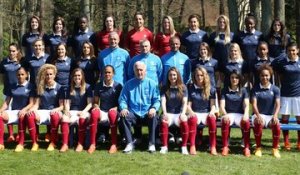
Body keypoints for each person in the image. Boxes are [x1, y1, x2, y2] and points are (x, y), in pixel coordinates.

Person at [119, 61, 160, 153]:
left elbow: (157, 100)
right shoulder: (128, 84)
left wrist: (153, 108)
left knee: (154, 116)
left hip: (147, 113)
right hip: (134, 113)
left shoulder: (152, 84)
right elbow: (122, 99)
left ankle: (151, 143)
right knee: (124, 116)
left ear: (145, 71)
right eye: (137, 70)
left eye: (141, 70)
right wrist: (124, 107)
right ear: (134, 71)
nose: (139, 72)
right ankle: (129, 143)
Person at [26, 64, 64, 151]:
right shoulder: (41, 87)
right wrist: (33, 110)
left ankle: (53, 142)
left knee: (54, 115)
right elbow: (36, 104)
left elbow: (62, 106)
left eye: (51, 74)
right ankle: (34, 143)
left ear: (54, 75)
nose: (49, 76)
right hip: (43, 111)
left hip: (55, 110)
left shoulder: (59, 88)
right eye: (47, 74)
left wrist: (56, 109)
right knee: (30, 115)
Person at [88, 65, 122, 154]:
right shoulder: (98, 85)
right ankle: (92, 144)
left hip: (114, 112)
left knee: (112, 113)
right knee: (94, 113)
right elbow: (95, 101)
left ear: (113, 74)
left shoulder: (118, 86)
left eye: (109, 72)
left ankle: (114, 144)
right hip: (103, 111)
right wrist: (96, 106)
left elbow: (122, 102)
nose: (107, 74)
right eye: (105, 72)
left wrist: (116, 107)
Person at [272, 42, 300, 151]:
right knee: (285, 119)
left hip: (298, 95)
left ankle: (299, 142)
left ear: (297, 50)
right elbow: (273, 67)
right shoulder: (282, 62)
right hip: (285, 94)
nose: (291, 52)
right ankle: (286, 142)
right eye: (289, 50)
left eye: (293, 50)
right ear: (286, 52)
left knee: (299, 118)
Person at [0, 67, 35, 151]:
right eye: (18, 75)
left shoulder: (31, 86)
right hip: (14, 111)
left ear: (26, 75)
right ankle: (1, 143)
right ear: (16, 75)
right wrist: (1, 110)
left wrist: (24, 110)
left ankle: (21, 143)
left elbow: (31, 103)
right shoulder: (12, 86)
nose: (20, 76)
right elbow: (7, 102)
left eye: (22, 74)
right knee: (0, 116)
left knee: (21, 116)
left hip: (25, 112)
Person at [251, 64, 281, 158]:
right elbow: (254, 104)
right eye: (262, 75)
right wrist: (258, 115)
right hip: (258, 114)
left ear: (270, 76)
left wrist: (275, 115)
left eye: (266, 75)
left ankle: (275, 149)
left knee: (276, 124)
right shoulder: (255, 89)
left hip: (270, 115)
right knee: (258, 122)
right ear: (259, 76)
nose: (264, 77)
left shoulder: (275, 89)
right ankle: (258, 148)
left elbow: (278, 104)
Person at [219, 70, 251, 157]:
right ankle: (225, 146)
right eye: (232, 77)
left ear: (239, 79)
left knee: (247, 122)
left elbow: (246, 105)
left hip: (239, 114)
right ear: (229, 79)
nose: (234, 79)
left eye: (236, 77)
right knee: (225, 121)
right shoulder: (224, 90)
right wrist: (225, 114)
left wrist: (245, 114)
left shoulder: (244, 90)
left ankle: (246, 147)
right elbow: (222, 106)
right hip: (228, 114)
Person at [187, 67, 217, 155]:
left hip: (206, 112)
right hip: (195, 112)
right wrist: (191, 112)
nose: (199, 77)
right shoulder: (191, 88)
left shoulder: (210, 88)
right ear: (194, 76)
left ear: (205, 76)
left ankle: (213, 146)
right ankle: (192, 146)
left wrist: (212, 112)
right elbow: (188, 105)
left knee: (212, 119)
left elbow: (213, 105)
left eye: (201, 75)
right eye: (197, 75)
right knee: (192, 119)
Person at [159, 67, 189, 154]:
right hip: (168, 113)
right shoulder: (164, 88)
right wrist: (164, 113)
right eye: (170, 75)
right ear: (168, 77)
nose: (172, 77)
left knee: (184, 120)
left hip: (179, 113)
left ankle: (184, 146)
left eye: (174, 75)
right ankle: (164, 146)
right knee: (164, 120)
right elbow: (163, 102)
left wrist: (183, 113)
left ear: (178, 76)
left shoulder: (183, 88)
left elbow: (185, 102)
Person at [63, 68, 93, 152]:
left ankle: (80, 143)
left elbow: (90, 103)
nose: (77, 77)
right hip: (73, 111)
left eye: (79, 75)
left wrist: (83, 111)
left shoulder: (88, 87)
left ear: (82, 76)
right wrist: (67, 111)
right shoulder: (69, 88)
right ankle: (65, 144)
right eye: (75, 75)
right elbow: (67, 103)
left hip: (84, 111)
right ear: (72, 77)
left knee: (82, 117)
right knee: (64, 118)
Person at [0, 43, 23, 142]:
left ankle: (19, 133)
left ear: (17, 51)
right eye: (10, 50)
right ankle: (10, 134)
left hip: (19, 91)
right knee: (8, 112)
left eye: (14, 51)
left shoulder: (22, 62)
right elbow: (2, 75)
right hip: (7, 92)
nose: (11, 52)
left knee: (19, 111)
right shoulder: (4, 62)